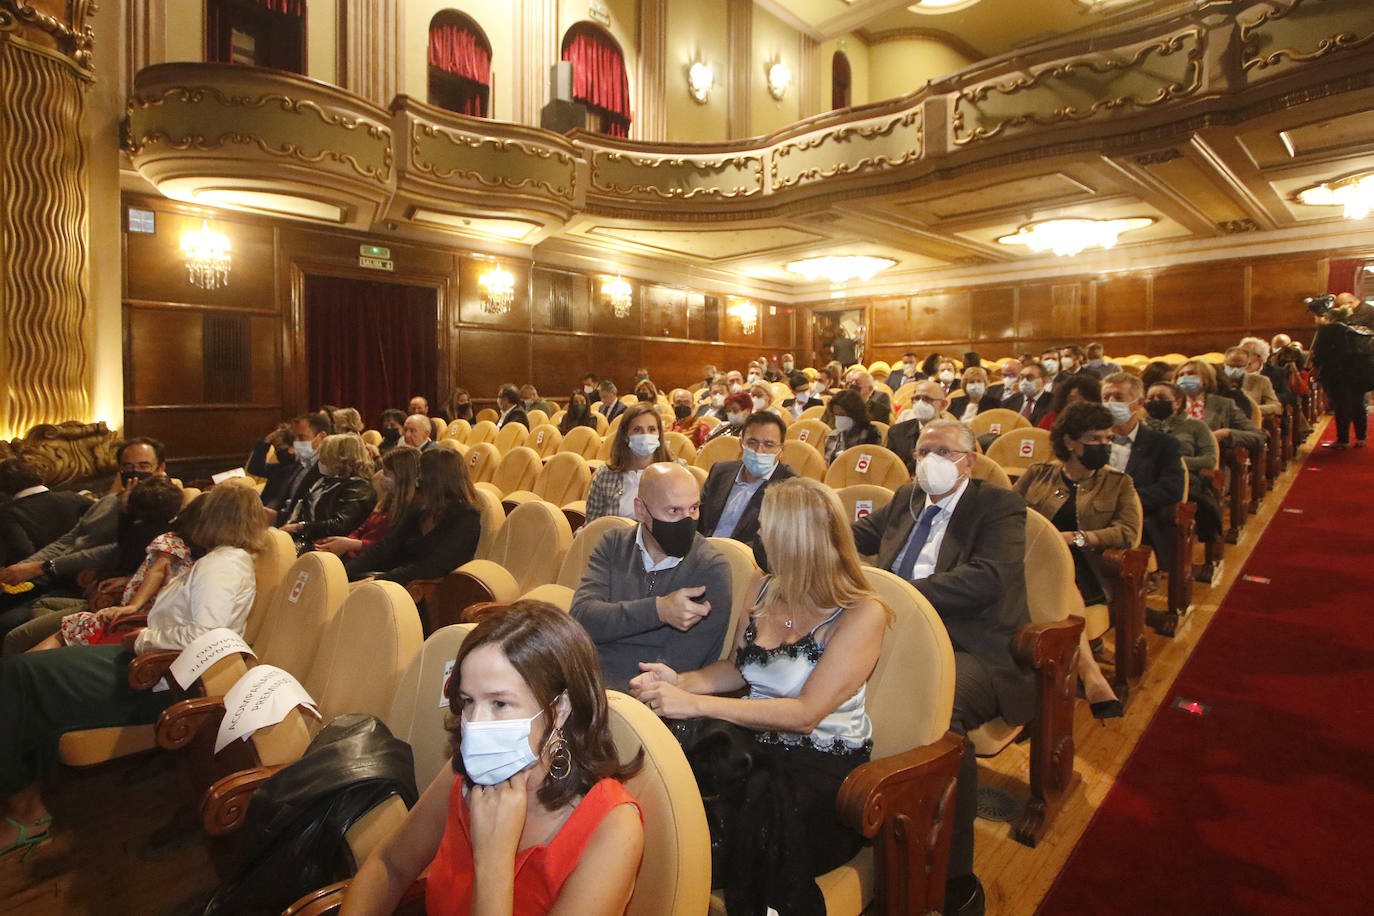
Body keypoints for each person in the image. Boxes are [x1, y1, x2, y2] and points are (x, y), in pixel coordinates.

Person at [631, 477, 887, 914]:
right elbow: (736, 667)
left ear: (798, 540)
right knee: (660, 787)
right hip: (750, 743)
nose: (758, 536)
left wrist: (696, 704)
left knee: (739, 817)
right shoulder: (762, 585)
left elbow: (806, 714)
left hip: (819, 761)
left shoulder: (863, 613)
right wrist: (679, 682)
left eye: (768, 528)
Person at [0, 483, 267, 858]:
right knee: (29, 673)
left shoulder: (221, 565)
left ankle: (25, 811)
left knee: (24, 674)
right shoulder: (223, 559)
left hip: (160, 678)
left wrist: (142, 639)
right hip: (154, 664)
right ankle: (26, 800)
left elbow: (206, 636)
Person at [340, 601, 644, 916]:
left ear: (560, 708)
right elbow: (390, 865)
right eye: (468, 702)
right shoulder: (470, 770)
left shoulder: (613, 827)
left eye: (499, 703)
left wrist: (494, 861)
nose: (476, 725)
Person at [851, 420, 1032, 916]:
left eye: (944, 451)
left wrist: (901, 595)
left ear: (969, 461)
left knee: (937, 710)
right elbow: (855, 535)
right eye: (923, 450)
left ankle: (955, 877)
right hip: (895, 633)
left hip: (973, 647)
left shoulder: (997, 506)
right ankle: (861, 823)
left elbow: (989, 579)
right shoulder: (908, 498)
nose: (931, 459)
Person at [1015, 403, 1141, 717]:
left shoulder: (1118, 483)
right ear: (1070, 442)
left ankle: (1090, 674)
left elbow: (1127, 531)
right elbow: (1009, 512)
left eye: (1107, 439)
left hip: (1087, 566)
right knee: (1046, 575)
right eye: (1095, 439)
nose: (1104, 446)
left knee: (1061, 579)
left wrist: (1077, 538)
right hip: (1033, 558)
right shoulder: (1039, 474)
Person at [571, 463, 733, 690]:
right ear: (641, 511)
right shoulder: (613, 544)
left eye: (694, 508)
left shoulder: (710, 567)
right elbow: (582, 618)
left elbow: (682, 662)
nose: (687, 520)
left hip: (651, 700)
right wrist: (659, 610)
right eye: (673, 511)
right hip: (587, 682)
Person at [0, 438, 168, 626]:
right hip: (62, 578)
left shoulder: (163, 507)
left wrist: (46, 566)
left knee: (13, 621)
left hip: (94, 587)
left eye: (143, 466)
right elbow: (70, 538)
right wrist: (24, 568)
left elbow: (118, 550)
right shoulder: (109, 500)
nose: (134, 473)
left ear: (160, 469)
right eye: (127, 467)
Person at [34, 490, 204, 652]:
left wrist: (133, 606)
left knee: (74, 624)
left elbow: (158, 570)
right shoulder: (179, 542)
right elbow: (157, 570)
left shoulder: (188, 546)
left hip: (144, 617)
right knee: (54, 617)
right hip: (135, 607)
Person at [345, 447, 482, 588]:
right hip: (397, 581)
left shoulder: (466, 519)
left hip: (428, 592)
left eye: (420, 477)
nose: (416, 482)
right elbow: (384, 547)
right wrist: (344, 572)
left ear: (435, 482)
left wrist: (377, 581)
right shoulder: (422, 509)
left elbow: (432, 568)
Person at [1100, 373, 1186, 580]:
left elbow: (1172, 488)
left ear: (1137, 403)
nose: (1111, 403)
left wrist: (1126, 500)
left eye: (1118, 398)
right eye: (1106, 398)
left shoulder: (1163, 444)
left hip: (1138, 517)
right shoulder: (1090, 439)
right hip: (1092, 513)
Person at [1144, 382, 1225, 580]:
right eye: (1150, 399)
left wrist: (1172, 460)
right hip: (1148, 481)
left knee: (1164, 512)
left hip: (1185, 480)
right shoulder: (1141, 427)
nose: (1155, 403)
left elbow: (1209, 459)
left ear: (1178, 402)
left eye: (1161, 399)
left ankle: (1165, 566)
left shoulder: (1195, 426)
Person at [697, 412, 796, 561]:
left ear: (781, 449)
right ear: (741, 443)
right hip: (702, 556)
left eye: (769, 445)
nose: (759, 451)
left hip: (746, 564)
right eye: (752, 442)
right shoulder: (720, 472)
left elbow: (777, 545)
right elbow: (699, 521)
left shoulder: (789, 487)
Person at [315, 445, 421, 559]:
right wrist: (347, 542)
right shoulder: (389, 499)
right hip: (357, 555)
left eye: (386, 473)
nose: (381, 476)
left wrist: (350, 544)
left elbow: (387, 547)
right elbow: (364, 527)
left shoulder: (412, 509)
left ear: (401, 476)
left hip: (374, 563)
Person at [281, 433, 377, 553]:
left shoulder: (359, 487)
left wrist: (300, 527)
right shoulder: (323, 480)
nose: (320, 461)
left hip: (327, 547)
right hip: (305, 539)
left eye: (325, 456)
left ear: (341, 459)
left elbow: (339, 525)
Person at [585, 403, 677, 523]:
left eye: (652, 429)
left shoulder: (676, 472)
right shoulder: (605, 475)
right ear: (625, 435)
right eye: (637, 430)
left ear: (659, 434)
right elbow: (591, 525)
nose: (645, 435)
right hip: (614, 540)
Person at [1310, 295, 1374, 449]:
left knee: (1341, 405)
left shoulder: (1327, 329)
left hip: (1337, 372)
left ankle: (1343, 440)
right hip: (1360, 371)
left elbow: (1319, 353)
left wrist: (1315, 368)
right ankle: (1361, 438)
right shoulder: (1360, 328)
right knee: (1358, 403)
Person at [0, 459, 91, 568]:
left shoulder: (7, 513)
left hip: (44, 577)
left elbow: (23, 552)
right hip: (88, 567)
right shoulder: (72, 497)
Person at [1174, 360, 1265, 454]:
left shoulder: (1224, 405)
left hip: (1210, 461)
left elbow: (1258, 437)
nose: (1185, 378)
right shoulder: (1168, 404)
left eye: (1191, 373)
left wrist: (1226, 433)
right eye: (1181, 375)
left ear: (1206, 378)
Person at [274, 412, 333, 523]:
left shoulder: (328, 470)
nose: (296, 442)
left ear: (322, 436)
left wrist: (276, 517)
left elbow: (314, 515)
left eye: (301, 437)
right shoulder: (302, 463)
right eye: (295, 437)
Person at [886, 379, 947, 474]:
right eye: (917, 398)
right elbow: (891, 469)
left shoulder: (956, 435)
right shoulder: (896, 432)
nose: (920, 403)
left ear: (943, 405)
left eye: (927, 399)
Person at [823, 388, 882, 465]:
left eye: (842, 414)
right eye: (836, 415)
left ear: (854, 413)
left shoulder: (870, 433)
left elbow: (870, 463)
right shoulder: (832, 436)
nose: (839, 419)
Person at [1222, 346, 1281, 418]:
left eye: (1239, 366)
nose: (1235, 370)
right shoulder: (1216, 381)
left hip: (1251, 422)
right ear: (1224, 363)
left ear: (1247, 365)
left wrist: (1252, 410)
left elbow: (1276, 407)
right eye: (1231, 366)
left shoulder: (1261, 381)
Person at [1037, 373, 1102, 431]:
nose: (1076, 406)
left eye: (1082, 402)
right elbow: (1039, 439)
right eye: (1072, 400)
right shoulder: (1051, 419)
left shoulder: (1099, 421)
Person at [1003, 361, 1053, 425]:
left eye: (1030, 378)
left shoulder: (1053, 403)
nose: (1024, 381)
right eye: (1022, 377)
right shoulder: (1009, 402)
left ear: (1044, 381)